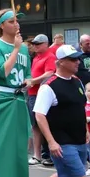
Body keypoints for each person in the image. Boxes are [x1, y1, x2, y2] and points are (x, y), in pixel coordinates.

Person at [29, 45, 89, 177]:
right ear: (60, 62)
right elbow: (40, 115)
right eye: (72, 59)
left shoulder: (77, 81)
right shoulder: (49, 86)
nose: (77, 62)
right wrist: (51, 142)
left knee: (68, 175)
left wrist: (87, 130)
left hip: (80, 138)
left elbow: (81, 108)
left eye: (77, 58)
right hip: (62, 142)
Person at [0, 9, 30, 100]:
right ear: (2, 25)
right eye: (11, 22)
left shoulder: (24, 48)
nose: (16, 24)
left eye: (17, 21)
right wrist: (16, 49)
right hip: (2, 95)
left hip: (20, 96)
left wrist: (29, 80)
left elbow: (28, 73)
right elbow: (3, 73)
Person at [27, 34, 57, 166]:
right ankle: (39, 154)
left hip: (42, 94)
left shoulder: (50, 56)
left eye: (38, 44)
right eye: (34, 44)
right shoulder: (36, 57)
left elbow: (50, 73)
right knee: (35, 124)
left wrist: (33, 80)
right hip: (33, 93)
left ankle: (45, 154)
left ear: (46, 44)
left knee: (43, 124)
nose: (35, 46)